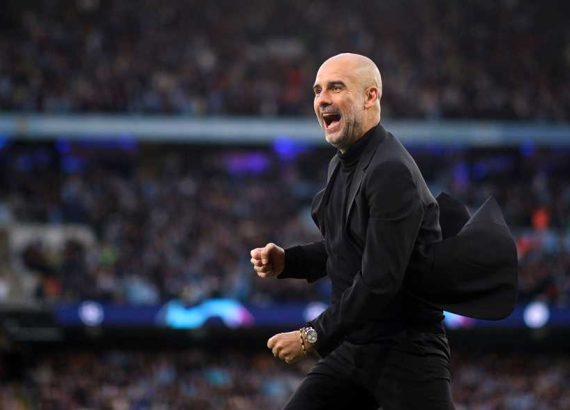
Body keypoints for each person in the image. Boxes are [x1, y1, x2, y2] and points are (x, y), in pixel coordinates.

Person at [250, 53, 516, 409]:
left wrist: (311, 336)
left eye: (336, 87)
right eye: (317, 90)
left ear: (370, 96)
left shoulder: (391, 170)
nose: (322, 99)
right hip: (353, 347)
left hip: (405, 354)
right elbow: (349, 246)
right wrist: (289, 261)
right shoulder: (342, 163)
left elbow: (379, 279)